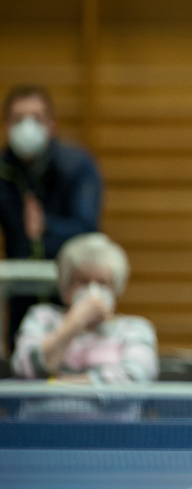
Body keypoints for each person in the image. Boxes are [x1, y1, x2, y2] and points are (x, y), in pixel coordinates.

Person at [0, 85, 103, 350]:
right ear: (7, 125)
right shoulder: (3, 171)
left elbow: (88, 229)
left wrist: (47, 228)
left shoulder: (77, 166)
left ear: (51, 124)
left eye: (36, 118)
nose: (27, 126)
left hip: (70, 292)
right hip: (20, 297)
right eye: (18, 119)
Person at [11, 233, 158, 383]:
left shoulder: (134, 329)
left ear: (116, 290)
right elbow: (25, 369)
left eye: (102, 282)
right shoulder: (42, 318)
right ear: (65, 288)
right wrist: (74, 323)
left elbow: (135, 378)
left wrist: (63, 384)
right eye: (83, 281)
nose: (93, 291)